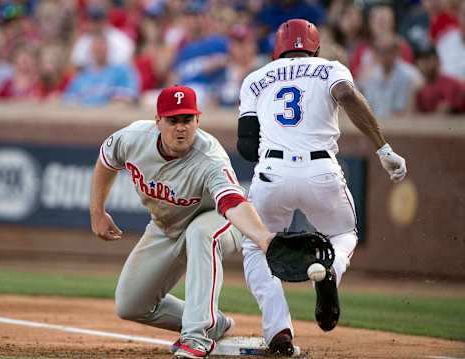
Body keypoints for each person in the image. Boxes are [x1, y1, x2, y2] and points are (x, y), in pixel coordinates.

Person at [237, 19, 407, 356]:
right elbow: (346, 95)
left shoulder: (256, 78)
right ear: (315, 48)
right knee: (344, 235)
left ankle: (279, 331)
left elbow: (245, 145)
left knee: (256, 245)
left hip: (272, 171)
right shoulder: (329, 67)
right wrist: (383, 149)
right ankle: (331, 270)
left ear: (276, 50)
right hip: (321, 170)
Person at [89, 85, 275, 359]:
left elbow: (233, 203)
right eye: (173, 120)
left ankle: (197, 335)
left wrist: (263, 238)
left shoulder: (209, 157)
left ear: (198, 121)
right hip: (166, 226)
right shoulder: (133, 138)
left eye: (187, 120)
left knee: (201, 232)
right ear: (158, 121)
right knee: (130, 305)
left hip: (222, 221)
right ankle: (217, 323)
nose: (181, 127)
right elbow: (106, 161)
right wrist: (97, 212)